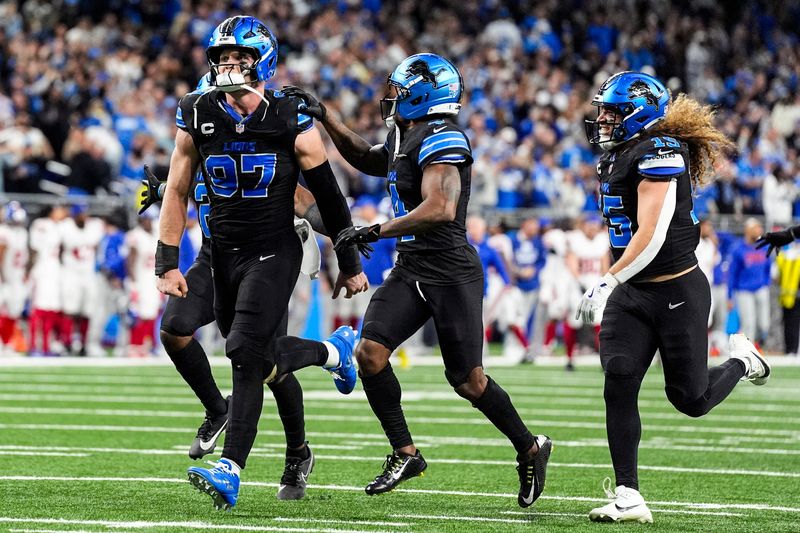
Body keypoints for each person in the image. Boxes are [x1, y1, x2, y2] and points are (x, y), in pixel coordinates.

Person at [284, 52, 552, 507]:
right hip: (412, 267)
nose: (391, 98)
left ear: (425, 96)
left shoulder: (444, 136)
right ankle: (405, 453)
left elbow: (440, 208)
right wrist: (326, 116)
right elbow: (368, 158)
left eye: (400, 91)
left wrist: (375, 230)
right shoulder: (405, 133)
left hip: (451, 271)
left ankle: (530, 447)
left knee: (467, 381)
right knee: (369, 354)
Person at [155, 16, 368, 511]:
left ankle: (230, 468)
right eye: (222, 57)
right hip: (219, 252)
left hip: (273, 250)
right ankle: (331, 356)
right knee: (256, 358)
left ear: (263, 60)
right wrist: (167, 260)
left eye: (240, 56)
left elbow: (326, 198)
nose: (229, 65)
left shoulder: (289, 115)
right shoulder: (197, 111)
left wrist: (348, 257)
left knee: (246, 353)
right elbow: (177, 190)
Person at [578, 71, 771, 523]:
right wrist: (616, 279)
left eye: (612, 112)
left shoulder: (660, 152)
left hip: (676, 291)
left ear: (638, 113)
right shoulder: (617, 155)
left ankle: (742, 361)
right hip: (633, 292)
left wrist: (607, 280)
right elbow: (622, 233)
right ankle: (628, 494)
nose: (602, 119)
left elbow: (653, 232)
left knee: (691, 399)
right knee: (618, 379)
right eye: (602, 110)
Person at [727, 218, 771, 348]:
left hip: (761, 288)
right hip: (744, 290)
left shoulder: (764, 246)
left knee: (764, 323)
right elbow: (732, 274)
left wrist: (766, 283)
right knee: (748, 323)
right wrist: (730, 296)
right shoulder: (738, 249)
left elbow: (768, 268)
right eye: (755, 228)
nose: (759, 230)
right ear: (747, 230)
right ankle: (749, 350)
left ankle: (760, 343)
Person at [0, 201, 29, 356]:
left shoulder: (22, 233)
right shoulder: (3, 232)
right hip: (4, 277)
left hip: (16, 277)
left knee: (13, 311)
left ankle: (7, 343)